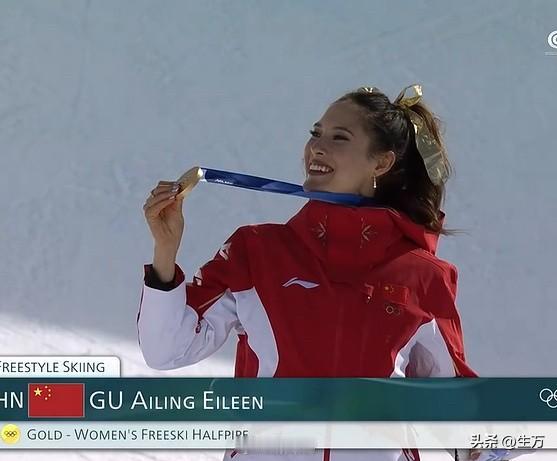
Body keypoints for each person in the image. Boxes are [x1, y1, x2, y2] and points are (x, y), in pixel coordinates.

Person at [137, 85, 532, 461]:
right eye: (316, 134)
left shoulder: (422, 276)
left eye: (339, 137)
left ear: (381, 163)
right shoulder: (256, 252)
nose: (317, 147)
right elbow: (167, 350)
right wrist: (165, 253)